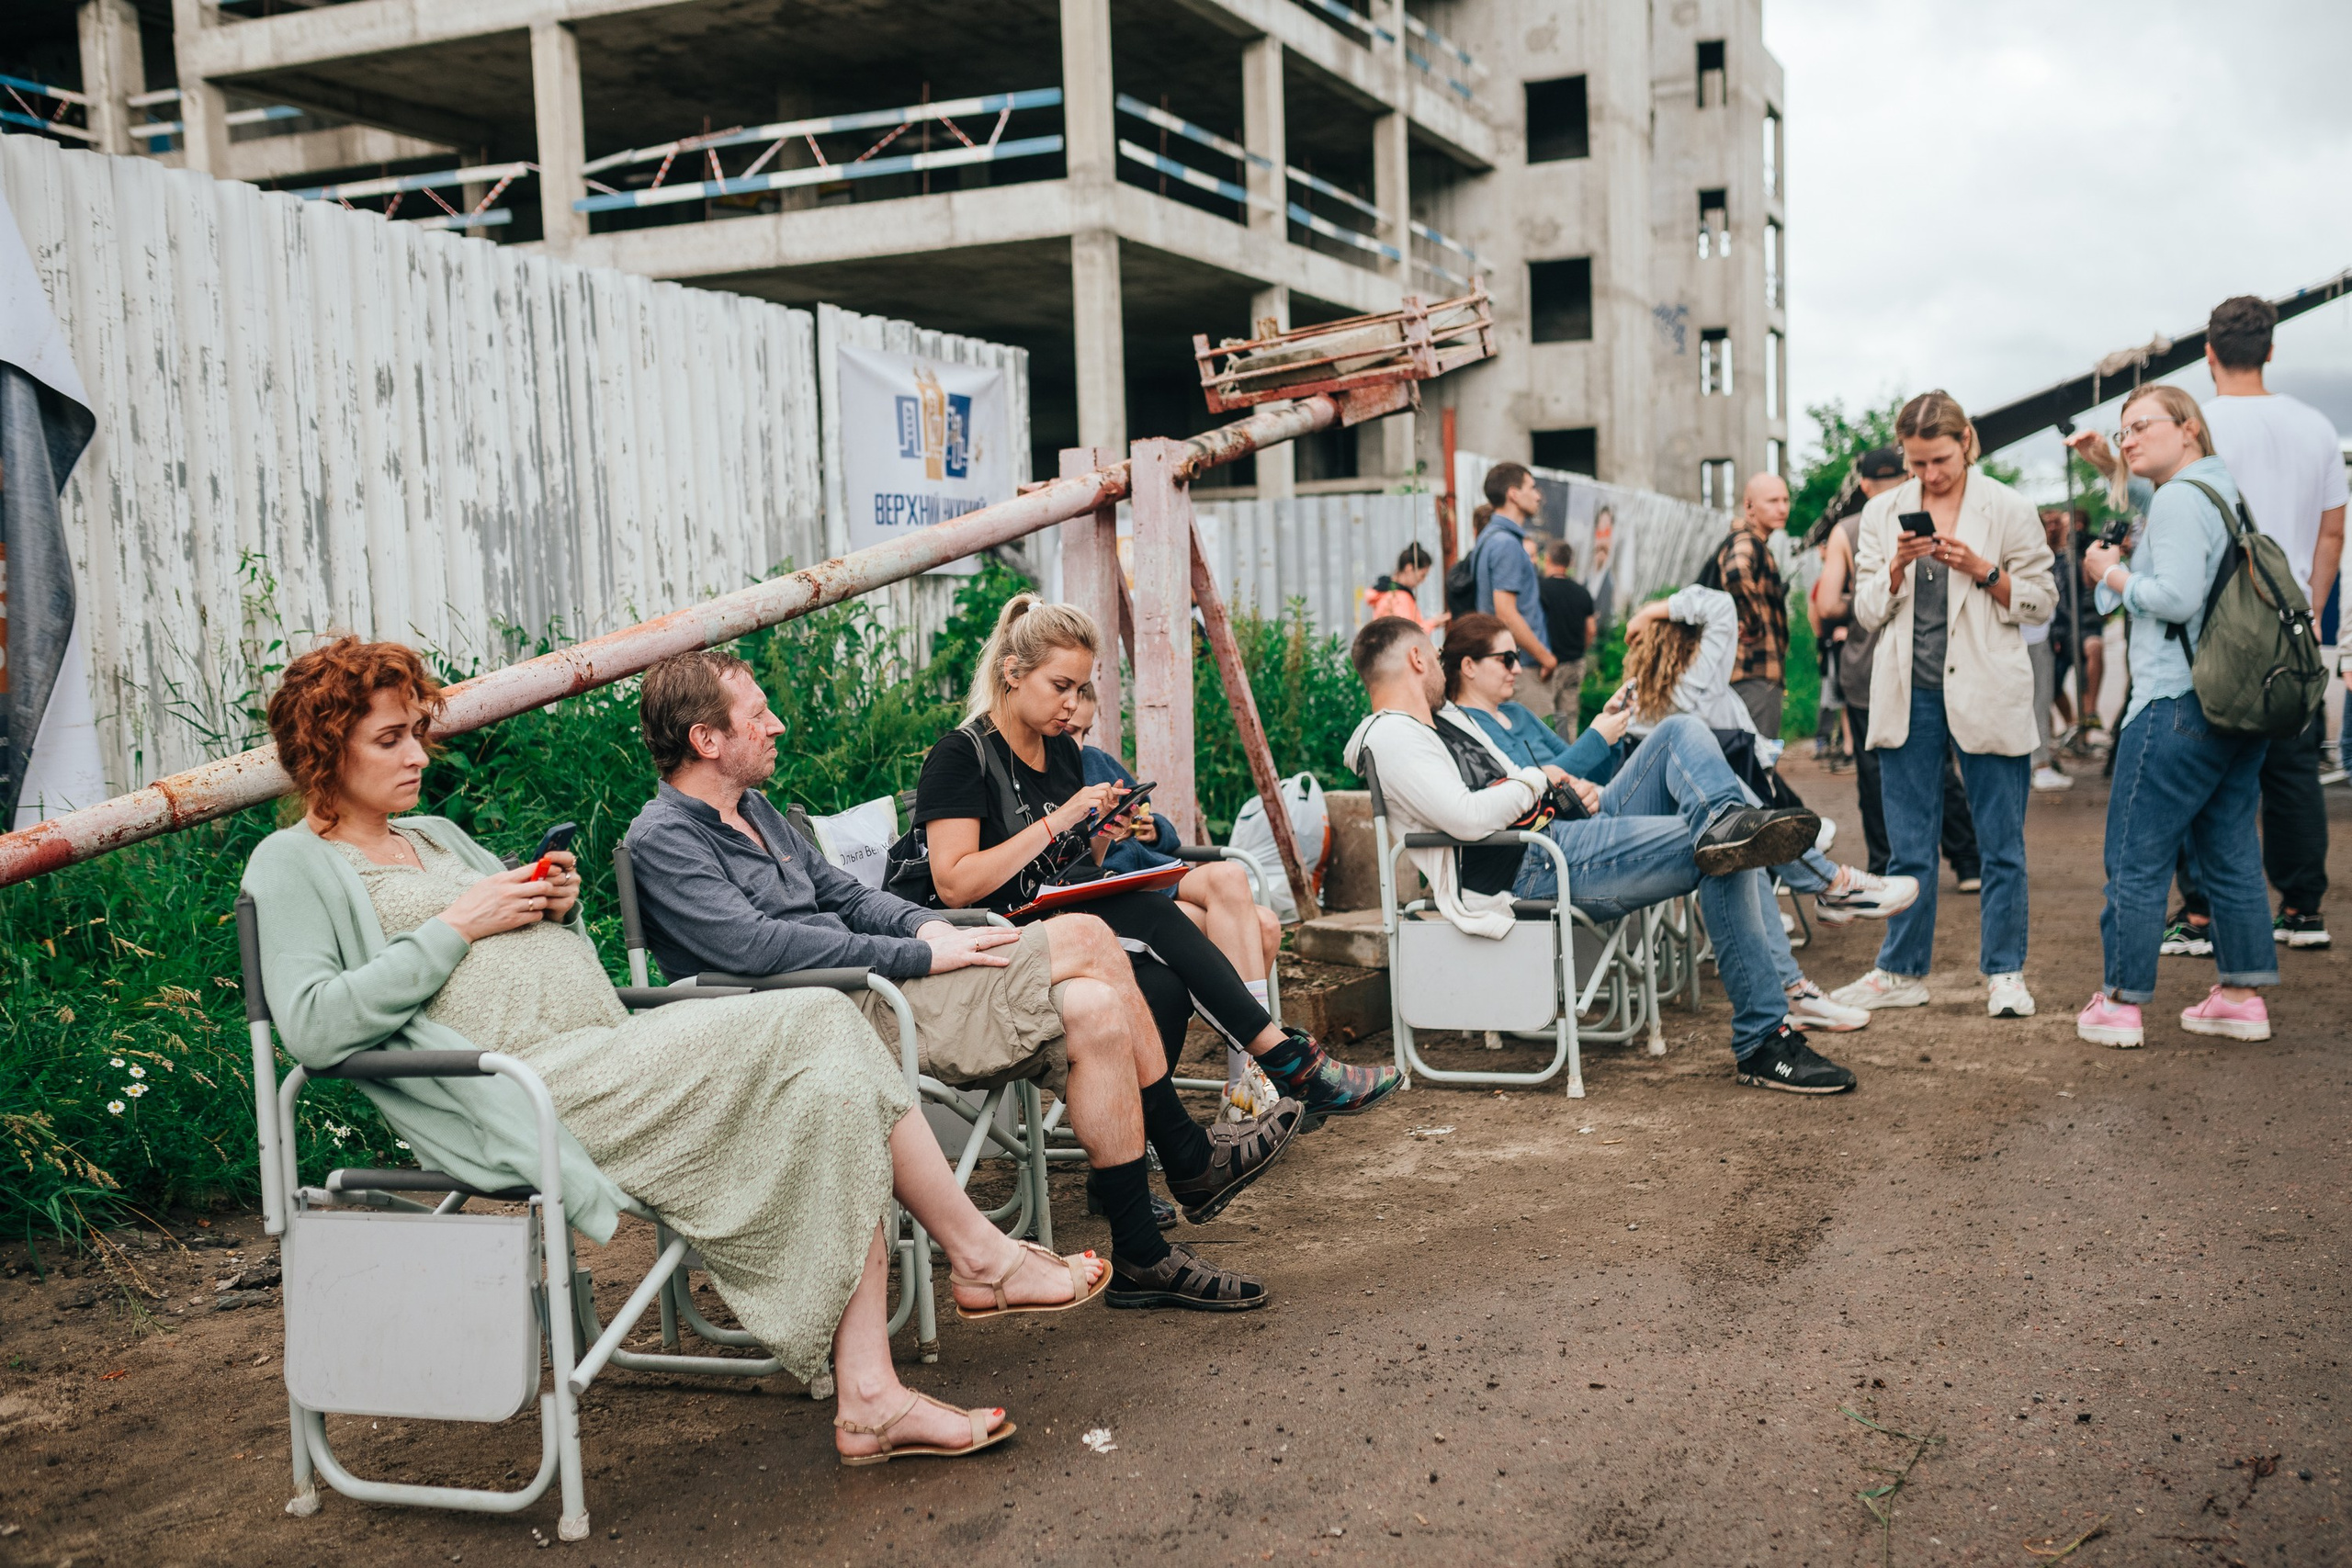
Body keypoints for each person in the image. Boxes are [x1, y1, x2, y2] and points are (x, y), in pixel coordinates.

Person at [243, 638, 1107, 1466]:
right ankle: (979, 1258)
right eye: (389, 739)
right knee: (815, 1015)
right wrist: (458, 922)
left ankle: (871, 1397)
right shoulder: (292, 864)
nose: (418, 756)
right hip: (520, 1083)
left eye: (417, 733)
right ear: (324, 752)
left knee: (831, 1077)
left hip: (611, 1040)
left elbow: (508, 944)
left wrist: (553, 907)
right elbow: (315, 1024)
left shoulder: (434, 836)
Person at [623, 649, 1303, 1313]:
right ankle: (1187, 1153)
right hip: (824, 1017)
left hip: (868, 986)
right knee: (1092, 936)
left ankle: (1142, 1255)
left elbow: (847, 895)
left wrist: (929, 930)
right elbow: (756, 945)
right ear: (705, 738)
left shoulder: (758, 810)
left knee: (1096, 1006)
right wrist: (919, 957)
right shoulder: (664, 836)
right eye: (758, 715)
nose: (775, 726)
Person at [911, 597, 1404, 1293]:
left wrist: (1098, 837)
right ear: (1012, 673)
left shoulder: (1058, 754)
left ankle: (1156, 1188)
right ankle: (1276, 1076)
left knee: (1162, 981)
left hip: (1039, 935)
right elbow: (956, 884)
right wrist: (1061, 825)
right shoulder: (960, 755)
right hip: (968, 955)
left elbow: (1047, 875)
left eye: (1083, 689)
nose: (1074, 704)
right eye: (1061, 687)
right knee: (1148, 914)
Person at [1345, 615, 1862, 1090]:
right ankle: (1764, 1039)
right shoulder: (1393, 735)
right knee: (1724, 845)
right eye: (1433, 657)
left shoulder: (1433, 723)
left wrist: (1559, 787)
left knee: (1684, 739)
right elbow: (1466, 817)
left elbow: (1499, 788)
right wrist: (1536, 780)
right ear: (1416, 661)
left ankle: (1738, 832)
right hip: (1529, 863)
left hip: (1553, 835)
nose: (1440, 665)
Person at [1449, 609, 1894, 1034]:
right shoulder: (1468, 729)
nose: (1517, 668)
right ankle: (1821, 895)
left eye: (1517, 658)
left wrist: (1609, 732)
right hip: (1560, 842)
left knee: (1703, 774)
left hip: (1596, 811)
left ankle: (1810, 914)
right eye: (1506, 659)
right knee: (1730, 838)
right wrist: (1594, 740)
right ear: (1468, 666)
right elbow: (1524, 795)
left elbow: (1583, 775)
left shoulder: (1521, 715)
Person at [2082, 295, 2346, 953]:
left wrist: (2111, 558)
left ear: (2207, 355)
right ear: (2272, 348)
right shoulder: (2315, 425)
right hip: (2285, 628)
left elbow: (2164, 502)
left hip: (2206, 639)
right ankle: (2303, 907)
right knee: (2289, 772)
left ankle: (2197, 913)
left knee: (2194, 788)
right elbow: (2331, 531)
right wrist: (2302, 613)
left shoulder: (2198, 427)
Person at [1834, 390, 2055, 1020]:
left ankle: (2005, 972)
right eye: (1916, 463)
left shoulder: (2009, 508)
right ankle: (1901, 969)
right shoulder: (1882, 513)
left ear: (1967, 444)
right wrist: (1898, 569)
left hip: (1987, 687)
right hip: (1910, 693)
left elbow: (2042, 602)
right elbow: (1868, 611)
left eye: (1939, 460)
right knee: (1908, 845)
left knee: (2000, 843)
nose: (1928, 475)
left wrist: (1985, 570)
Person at [2067, 386, 2278, 1047]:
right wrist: (2112, 467)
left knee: (2135, 854)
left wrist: (2112, 571)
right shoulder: (2219, 490)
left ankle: (2122, 1004)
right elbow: (2158, 506)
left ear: (2188, 428)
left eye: (2140, 426)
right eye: (2122, 430)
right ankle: (2241, 996)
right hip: (2233, 704)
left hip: (2172, 701)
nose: (2128, 438)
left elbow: (2179, 597)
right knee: (2231, 848)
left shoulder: (2183, 498)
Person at [1614, 589, 1917, 932]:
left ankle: (1819, 910)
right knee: (1748, 828)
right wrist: (1651, 611)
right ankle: (1832, 884)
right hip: (1712, 825)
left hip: (1675, 822)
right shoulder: (1699, 683)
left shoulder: (1633, 703)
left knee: (1743, 829)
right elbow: (1721, 605)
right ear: (1690, 644)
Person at [1065, 681, 1285, 1116]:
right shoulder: (1044, 774)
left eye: (1085, 732)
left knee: (1230, 876)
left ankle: (1245, 1075)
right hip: (1116, 891)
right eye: (1070, 730)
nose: (1078, 743)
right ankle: (1248, 1077)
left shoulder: (1096, 761)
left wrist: (1151, 827)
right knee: (1262, 927)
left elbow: (1148, 815)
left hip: (1146, 867)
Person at [1814, 446, 1984, 886]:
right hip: (1928, 662)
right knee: (1939, 766)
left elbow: (1829, 603)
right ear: (1910, 474)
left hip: (1867, 666)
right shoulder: (1945, 516)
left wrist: (1870, 594)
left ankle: (1886, 869)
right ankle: (1968, 862)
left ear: (1864, 484)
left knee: (1876, 773)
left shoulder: (1848, 529)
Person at [1470, 464, 1559, 706]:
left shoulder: (1490, 537)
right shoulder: (1506, 543)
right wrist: (1546, 658)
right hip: (1523, 669)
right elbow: (1506, 614)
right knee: (1538, 742)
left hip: (1511, 663)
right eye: (1531, 487)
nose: (1538, 495)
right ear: (1513, 494)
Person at [1714, 472, 1793, 739]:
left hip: (1751, 674)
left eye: (1785, 499)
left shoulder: (1756, 542)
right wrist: (1753, 622)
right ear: (1749, 507)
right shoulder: (1747, 540)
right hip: (1753, 673)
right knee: (1758, 762)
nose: (1782, 508)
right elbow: (1736, 572)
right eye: (1772, 501)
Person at [2028, 508, 2078, 793]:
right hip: (2032, 634)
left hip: (2037, 634)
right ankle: (2041, 765)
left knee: (2040, 699)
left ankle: (2040, 760)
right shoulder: (2032, 553)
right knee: (2038, 700)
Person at [1537, 540, 1597, 738]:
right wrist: (1581, 649)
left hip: (1548, 666)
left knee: (1545, 717)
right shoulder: (1582, 592)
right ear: (1570, 563)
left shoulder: (1541, 590)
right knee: (1567, 718)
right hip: (1574, 663)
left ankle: (1547, 761)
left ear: (1547, 560)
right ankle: (1567, 755)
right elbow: (1591, 629)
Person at [1364, 542, 1447, 631]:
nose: (1423, 580)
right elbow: (1408, 635)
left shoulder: (1385, 592)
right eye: (1422, 575)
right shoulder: (1399, 597)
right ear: (1409, 568)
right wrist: (1432, 623)